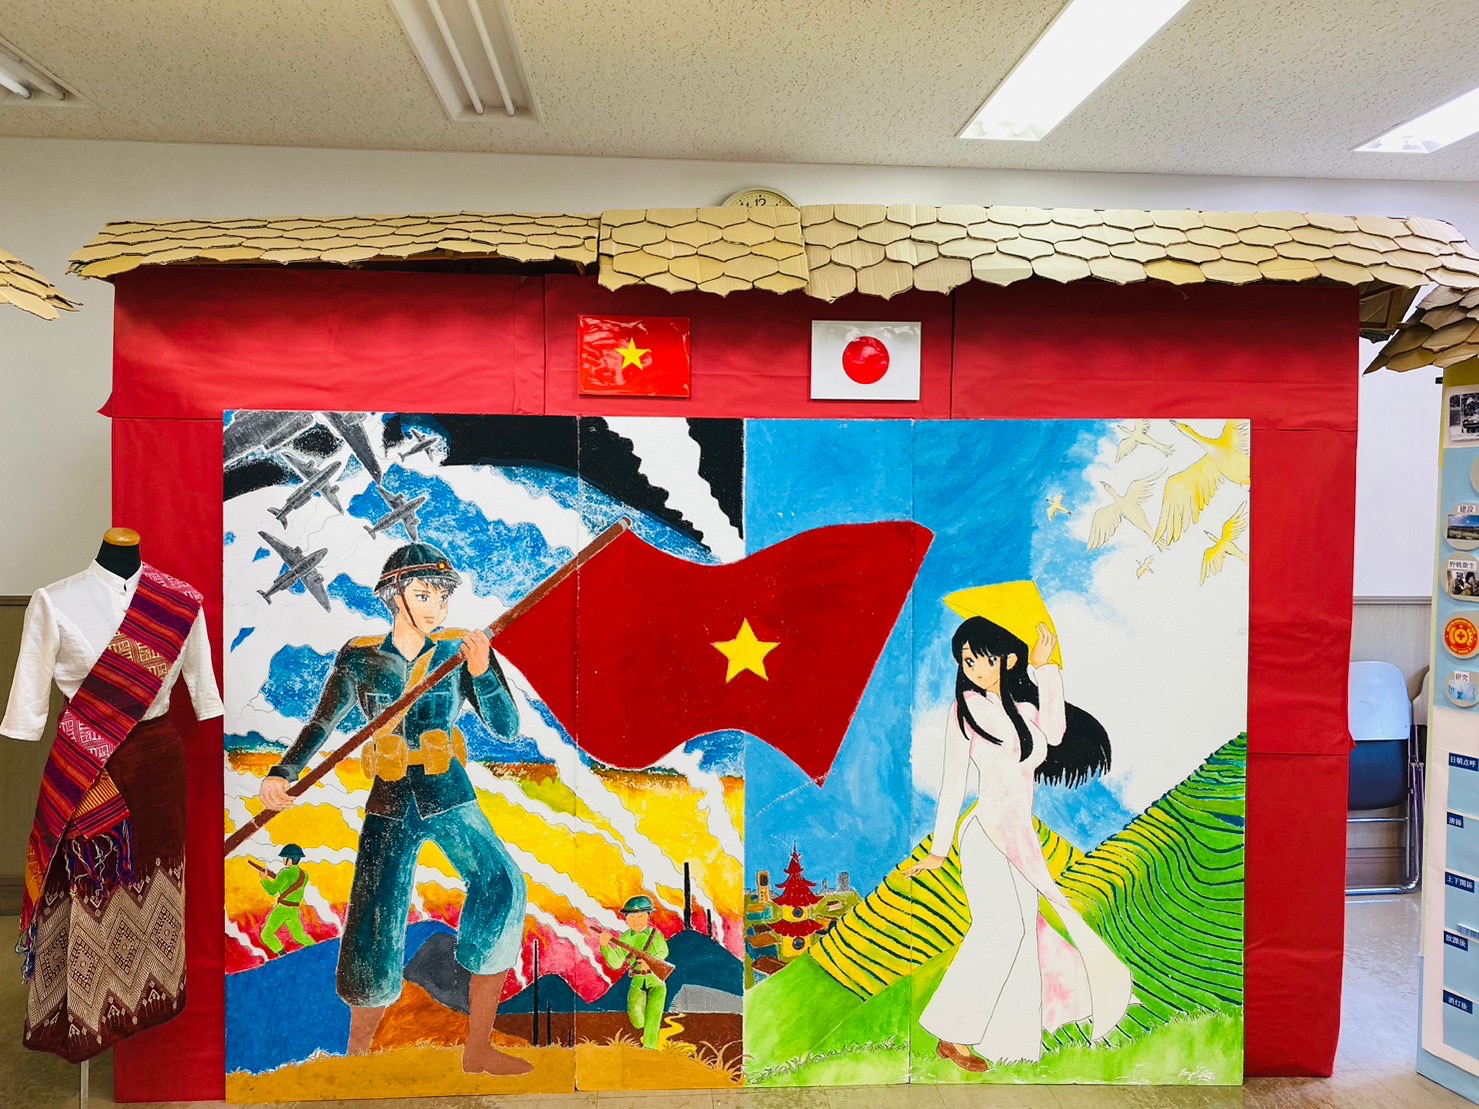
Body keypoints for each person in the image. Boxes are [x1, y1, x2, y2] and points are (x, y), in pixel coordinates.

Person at [257, 543, 530, 1076]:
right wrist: (283, 771)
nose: (436, 608)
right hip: (389, 798)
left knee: (502, 883)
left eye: (442, 598)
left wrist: (483, 671)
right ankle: (357, 1058)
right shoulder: (360, 657)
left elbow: (507, 728)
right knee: (372, 917)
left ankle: (477, 1048)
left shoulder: (460, 650)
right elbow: (322, 722)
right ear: (394, 595)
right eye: (424, 595)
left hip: (448, 794)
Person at [909, 615, 1133, 1073]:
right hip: (987, 833)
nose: (973, 669)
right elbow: (954, 782)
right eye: (966, 661)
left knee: (1027, 931)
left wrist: (1046, 669)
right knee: (1001, 929)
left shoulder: (1024, 710)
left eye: (982, 659)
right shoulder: (965, 711)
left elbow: (1055, 734)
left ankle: (1007, 1042)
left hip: (1019, 835)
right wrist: (939, 848)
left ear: (1008, 660)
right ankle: (952, 1033)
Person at [597, 895, 670, 1050]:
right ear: (626, 919)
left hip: (656, 981)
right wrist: (605, 946)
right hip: (637, 981)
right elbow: (616, 963)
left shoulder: (655, 935)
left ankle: (649, 1050)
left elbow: (663, 952)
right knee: (637, 1019)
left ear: (649, 916)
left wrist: (650, 960)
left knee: (653, 1018)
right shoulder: (625, 938)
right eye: (632, 917)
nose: (636, 921)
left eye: (641, 916)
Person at [255, 843, 315, 956]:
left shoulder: (284, 872)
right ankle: (317, 950)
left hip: (282, 908)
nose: (283, 859)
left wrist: (264, 879)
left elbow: (272, 890)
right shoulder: (305, 874)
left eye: (284, 857)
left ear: (290, 859)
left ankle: (282, 954)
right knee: (300, 936)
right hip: (294, 909)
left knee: (266, 934)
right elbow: (291, 884)